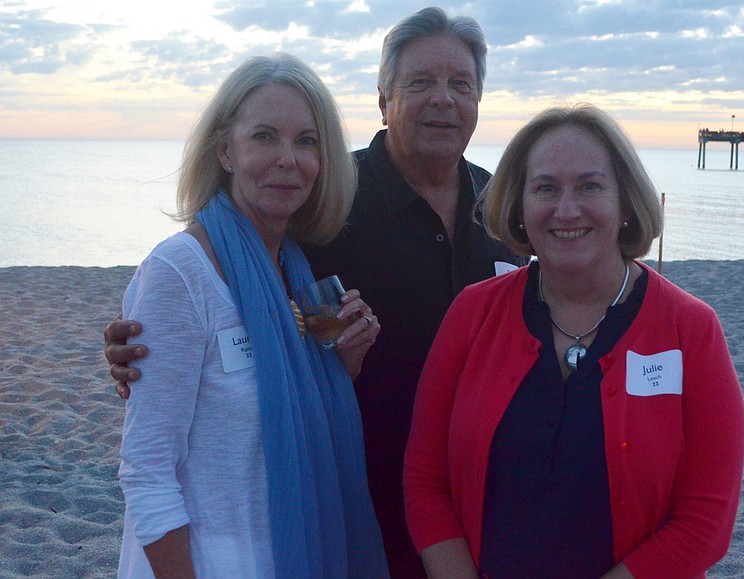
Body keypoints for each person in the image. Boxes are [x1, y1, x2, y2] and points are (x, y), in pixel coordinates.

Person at [105, 8, 522, 577]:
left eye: (461, 84)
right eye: (419, 82)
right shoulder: (327, 211)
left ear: (479, 100)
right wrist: (137, 351)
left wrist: (343, 363)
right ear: (384, 98)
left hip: (479, 507)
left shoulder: (505, 210)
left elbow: (300, 357)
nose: (442, 100)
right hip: (365, 510)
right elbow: (209, 300)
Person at [404, 105, 744, 578]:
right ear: (519, 206)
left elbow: (706, 521)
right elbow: (426, 480)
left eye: (590, 186)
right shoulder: (472, 314)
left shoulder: (691, 330)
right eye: (545, 188)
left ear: (625, 203)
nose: (567, 210)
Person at [116, 53, 388, 578]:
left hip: (292, 554)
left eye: (306, 141)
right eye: (264, 136)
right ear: (225, 150)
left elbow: (279, 417)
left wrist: (343, 368)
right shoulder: (180, 272)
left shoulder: (296, 272)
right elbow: (147, 470)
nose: (288, 158)